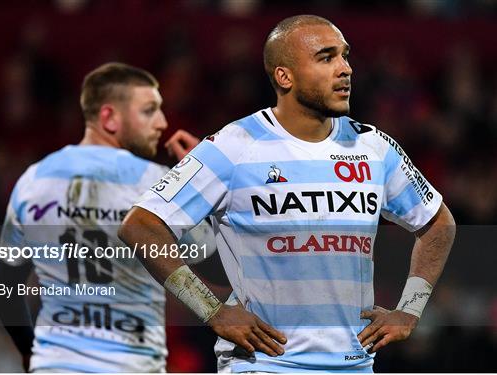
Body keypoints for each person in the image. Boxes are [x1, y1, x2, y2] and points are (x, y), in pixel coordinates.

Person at [118, 15, 456, 373]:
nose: (345, 69)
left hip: (354, 366)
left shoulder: (374, 147)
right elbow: (140, 226)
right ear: (285, 76)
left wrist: (410, 309)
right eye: (326, 58)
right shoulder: (235, 146)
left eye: (345, 56)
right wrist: (211, 309)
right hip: (265, 364)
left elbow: (438, 224)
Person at [0, 62, 214, 372]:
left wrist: (34, 355)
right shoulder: (155, 181)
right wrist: (203, 186)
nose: (162, 122)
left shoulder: (33, 180)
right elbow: (216, 271)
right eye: (149, 110)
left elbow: (5, 294)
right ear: (109, 117)